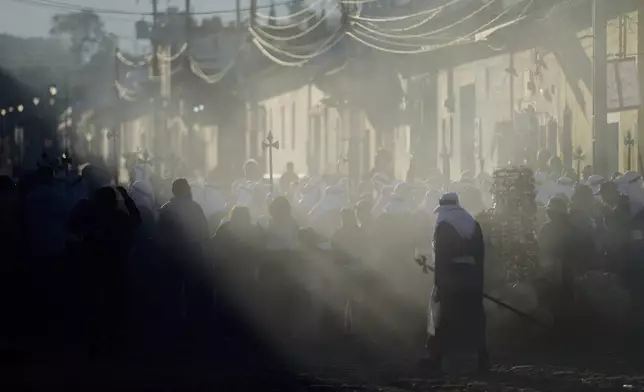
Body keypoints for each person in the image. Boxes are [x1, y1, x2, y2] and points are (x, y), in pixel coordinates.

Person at [427, 193, 487, 372]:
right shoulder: (471, 221)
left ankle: (436, 359)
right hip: (471, 275)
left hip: (451, 276)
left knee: (442, 316)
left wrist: (438, 283)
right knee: (475, 317)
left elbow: (441, 256)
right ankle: (482, 358)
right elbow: (480, 253)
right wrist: (479, 281)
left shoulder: (443, 223)